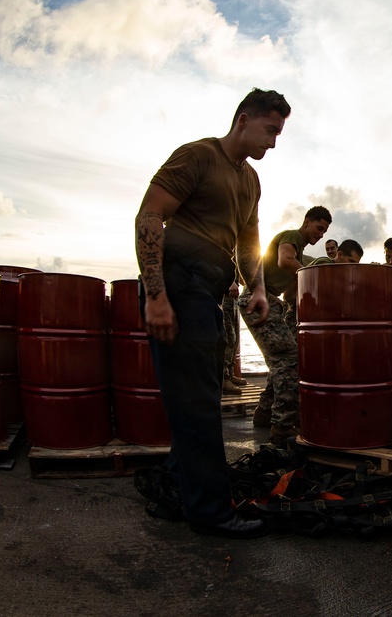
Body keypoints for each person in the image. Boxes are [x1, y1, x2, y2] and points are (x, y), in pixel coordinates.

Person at [134, 87, 290, 539]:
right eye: (270, 131)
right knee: (198, 402)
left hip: (213, 291)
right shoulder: (198, 156)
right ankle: (211, 513)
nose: (274, 143)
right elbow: (149, 218)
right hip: (179, 282)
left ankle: (181, 485)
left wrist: (258, 287)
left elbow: (248, 241)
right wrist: (156, 296)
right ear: (244, 119)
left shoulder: (250, 181)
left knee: (197, 394)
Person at [243, 206, 332, 441]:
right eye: (319, 228)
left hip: (268, 301)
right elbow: (285, 261)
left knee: (281, 359)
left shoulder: (301, 251)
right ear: (307, 222)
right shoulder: (293, 236)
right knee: (290, 360)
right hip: (258, 299)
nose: (321, 234)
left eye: (324, 231)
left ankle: (264, 413)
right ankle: (282, 426)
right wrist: (313, 277)